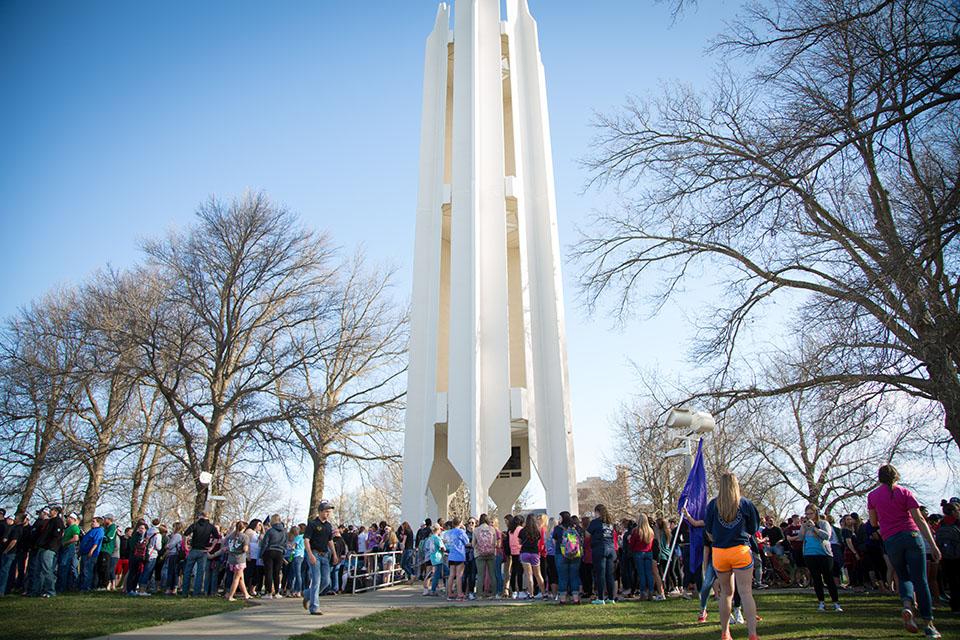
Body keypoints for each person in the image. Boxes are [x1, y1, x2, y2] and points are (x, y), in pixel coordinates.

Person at [867, 464, 942, 638]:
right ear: (896, 476)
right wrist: (933, 544)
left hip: (891, 539)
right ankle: (929, 624)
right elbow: (919, 518)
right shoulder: (905, 492)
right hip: (912, 535)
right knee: (921, 580)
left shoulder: (873, 496)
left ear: (879, 478)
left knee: (903, 575)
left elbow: (872, 522)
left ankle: (908, 605)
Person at [704, 472, 761, 640]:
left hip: (720, 552)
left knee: (726, 593)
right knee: (746, 593)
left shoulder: (713, 505)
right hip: (740, 550)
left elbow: (708, 529)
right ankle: (752, 633)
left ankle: (725, 632)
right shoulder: (745, 504)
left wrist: (718, 538)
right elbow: (754, 528)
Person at [800, 504, 842, 612]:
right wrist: (804, 527)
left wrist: (814, 527)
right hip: (809, 554)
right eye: (807, 514)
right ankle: (821, 603)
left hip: (824, 554)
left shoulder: (823, 523)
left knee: (828, 578)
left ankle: (836, 603)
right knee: (816, 579)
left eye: (811, 513)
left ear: (816, 513)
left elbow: (827, 536)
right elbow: (800, 537)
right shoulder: (805, 524)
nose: (809, 516)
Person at [303, 501, 339, 615]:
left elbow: (330, 541)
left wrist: (334, 554)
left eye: (329, 512)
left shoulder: (328, 526)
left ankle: (308, 594)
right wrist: (310, 555)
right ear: (320, 511)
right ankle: (314, 607)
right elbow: (306, 540)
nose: (328, 513)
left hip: (325, 555)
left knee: (326, 581)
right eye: (326, 511)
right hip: (315, 554)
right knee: (316, 580)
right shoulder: (312, 524)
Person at [586, 504, 617, 605]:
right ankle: (611, 598)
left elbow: (587, 535)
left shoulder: (595, 522)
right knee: (610, 574)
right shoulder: (610, 523)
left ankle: (600, 598)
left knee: (600, 575)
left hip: (600, 549)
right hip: (611, 549)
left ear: (597, 512)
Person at [181, 511, 216, 596]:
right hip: (203, 551)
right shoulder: (211, 527)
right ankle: (196, 592)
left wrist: (185, 545)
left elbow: (185, 534)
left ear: (200, 516)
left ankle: (185, 591)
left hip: (193, 550)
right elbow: (217, 537)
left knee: (188, 571)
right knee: (200, 573)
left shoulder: (195, 525)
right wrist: (211, 547)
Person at [935, 501, 960, 613]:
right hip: (957, 555)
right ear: (954, 511)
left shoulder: (941, 523)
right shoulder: (957, 522)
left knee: (952, 581)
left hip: (946, 557)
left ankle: (955, 606)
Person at [34, 505, 64, 597]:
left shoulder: (58, 521)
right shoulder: (49, 521)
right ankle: (36, 590)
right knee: (38, 570)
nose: (50, 512)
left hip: (49, 548)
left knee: (47, 569)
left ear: (56, 512)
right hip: (42, 547)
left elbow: (57, 536)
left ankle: (50, 591)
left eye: (51, 510)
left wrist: (49, 545)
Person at [553, 511, 582, 605]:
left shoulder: (558, 528)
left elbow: (554, 542)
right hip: (575, 555)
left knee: (562, 577)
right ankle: (576, 599)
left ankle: (563, 599)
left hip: (561, 554)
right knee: (574, 576)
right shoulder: (576, 528)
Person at [518, 514, 546, 600]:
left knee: (528, 575)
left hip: (525, 553)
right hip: (535, 553)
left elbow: (519, 542)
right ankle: (544, 593)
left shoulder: (522, 531)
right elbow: (538, 542)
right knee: (538, 574)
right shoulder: (537, 531)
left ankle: (531, 594)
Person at [260, 514, 286, 599]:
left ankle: (269, 592)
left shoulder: (270, 531)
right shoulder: (284, 532)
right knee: (277, 573)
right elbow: (285, 543)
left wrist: (261, 553)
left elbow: (265, 543)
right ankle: (277, 592)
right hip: (280, 552)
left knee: (269, 572)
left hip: (270, 551)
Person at [630, 513, 655, 600]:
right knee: (649, 573)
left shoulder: (636, 531)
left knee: (642, 574)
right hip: (648, 552)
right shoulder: (651, 531)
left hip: (639, 553)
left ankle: (643, 593)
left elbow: (632, 544)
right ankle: (651, 592)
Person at [223, 520, 250, 601]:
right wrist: (247, 549)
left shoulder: (231, 536)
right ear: (244, 528)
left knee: (241, 577)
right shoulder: (245, 537)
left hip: (231, 559)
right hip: (240, 559)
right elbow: (245, 549)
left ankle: (246, 594)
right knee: (236, 578)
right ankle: (230, 596)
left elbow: (226, 544)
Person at [443, 518, 469, 601]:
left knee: (451, 575)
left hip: (451, 555)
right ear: (460, 523)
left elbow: (446, 543)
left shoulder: (448, 533)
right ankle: (460, 593)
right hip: (459, 555)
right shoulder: (461, 532)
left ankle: (449, 593)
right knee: (459, 575)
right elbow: (467, 542)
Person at [472, 514, 497, 599]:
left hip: (479, 554)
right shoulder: (492, 529)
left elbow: (473, 544)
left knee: (480, 575)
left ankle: (479, 595)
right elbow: (495, 543)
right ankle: (493, 594)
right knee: (492, 574)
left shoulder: (476, 530)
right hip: (491, 553)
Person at [57, 512, 81, 593]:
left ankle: (62, 588)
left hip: (69, 548)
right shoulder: (68, 528)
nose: (66, 519)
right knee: (62, 567)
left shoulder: (74, 527)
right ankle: (64, 586)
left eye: (68, 518)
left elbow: (76, 538)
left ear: (72, 519)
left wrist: (65, 542)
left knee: (64, 567)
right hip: (65, 549)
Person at [0, 513, 23, 595]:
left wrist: (6, 550)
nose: (8, 520)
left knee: (4, 571)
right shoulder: (6, 528)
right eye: (7, 519)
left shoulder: (15, 529)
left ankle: (2, 590)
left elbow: (14, 541)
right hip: (4, 552)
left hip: (10, 553)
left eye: (10, 519)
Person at [98, 514, 118, 590]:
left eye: (105, 519)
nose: (104, 520)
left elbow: (109, 537)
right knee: (100, 568)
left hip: (107, 550)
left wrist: (99, 537)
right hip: (102, 549)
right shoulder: (105, 528)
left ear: (109, 519)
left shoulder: (112, 527)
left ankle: (105, 585)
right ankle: (100, 585)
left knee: (105, 568)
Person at [162, 522, 183, 595]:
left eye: (173, 527)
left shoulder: (177, 536)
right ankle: (172, 587)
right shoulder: (175, 535)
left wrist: (166, 546)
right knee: (172, 572)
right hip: (172, 554)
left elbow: (171, 545)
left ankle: (172, 588)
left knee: (173, 572)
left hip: (174, 555)